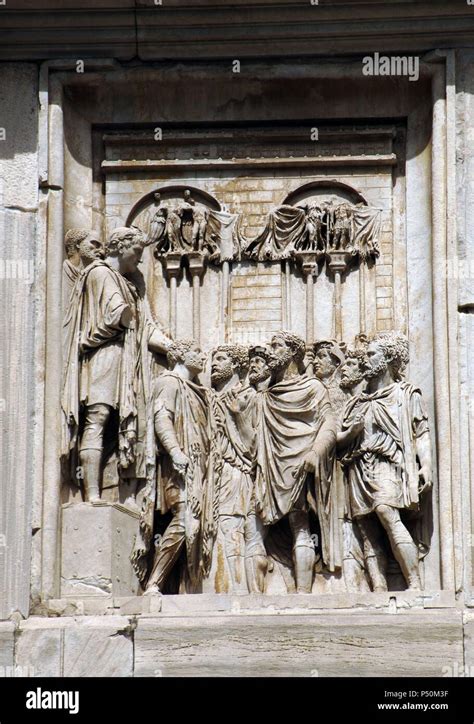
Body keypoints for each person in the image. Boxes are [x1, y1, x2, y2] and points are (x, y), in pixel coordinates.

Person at [338, 331, 432, 591]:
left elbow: (421, 432)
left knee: (386, 512)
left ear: (388, 357)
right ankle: (378, 589)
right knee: (366, 528)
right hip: (358, 466)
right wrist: (350, 433)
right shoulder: (357, 401)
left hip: (388, 462)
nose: (365, 360)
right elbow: (340, 439)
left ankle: (415, 584)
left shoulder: (405, 394)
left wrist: (426, 464)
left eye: (371, 354)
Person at [254, 331, 337, 592]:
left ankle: (303, 593)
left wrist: (316, 451)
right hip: (269, 466)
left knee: (299, 523)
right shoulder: (266, 394)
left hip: (301, 463)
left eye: (276, 345)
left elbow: (329, 424)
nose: (270, 350)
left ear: (292, 352)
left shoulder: (312, 387)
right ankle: (251, 591)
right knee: (254, 527)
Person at [140, 340, 209, 595]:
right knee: (184, 519)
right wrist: (176, 452)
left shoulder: (196, 389)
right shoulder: (168, 382)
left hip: (198, 465)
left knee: (194, 524)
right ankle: (154, 583)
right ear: (180, 355)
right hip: (178, 466)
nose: (204, 356)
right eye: (197, 351)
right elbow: (162, 418)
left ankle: (186, 588)